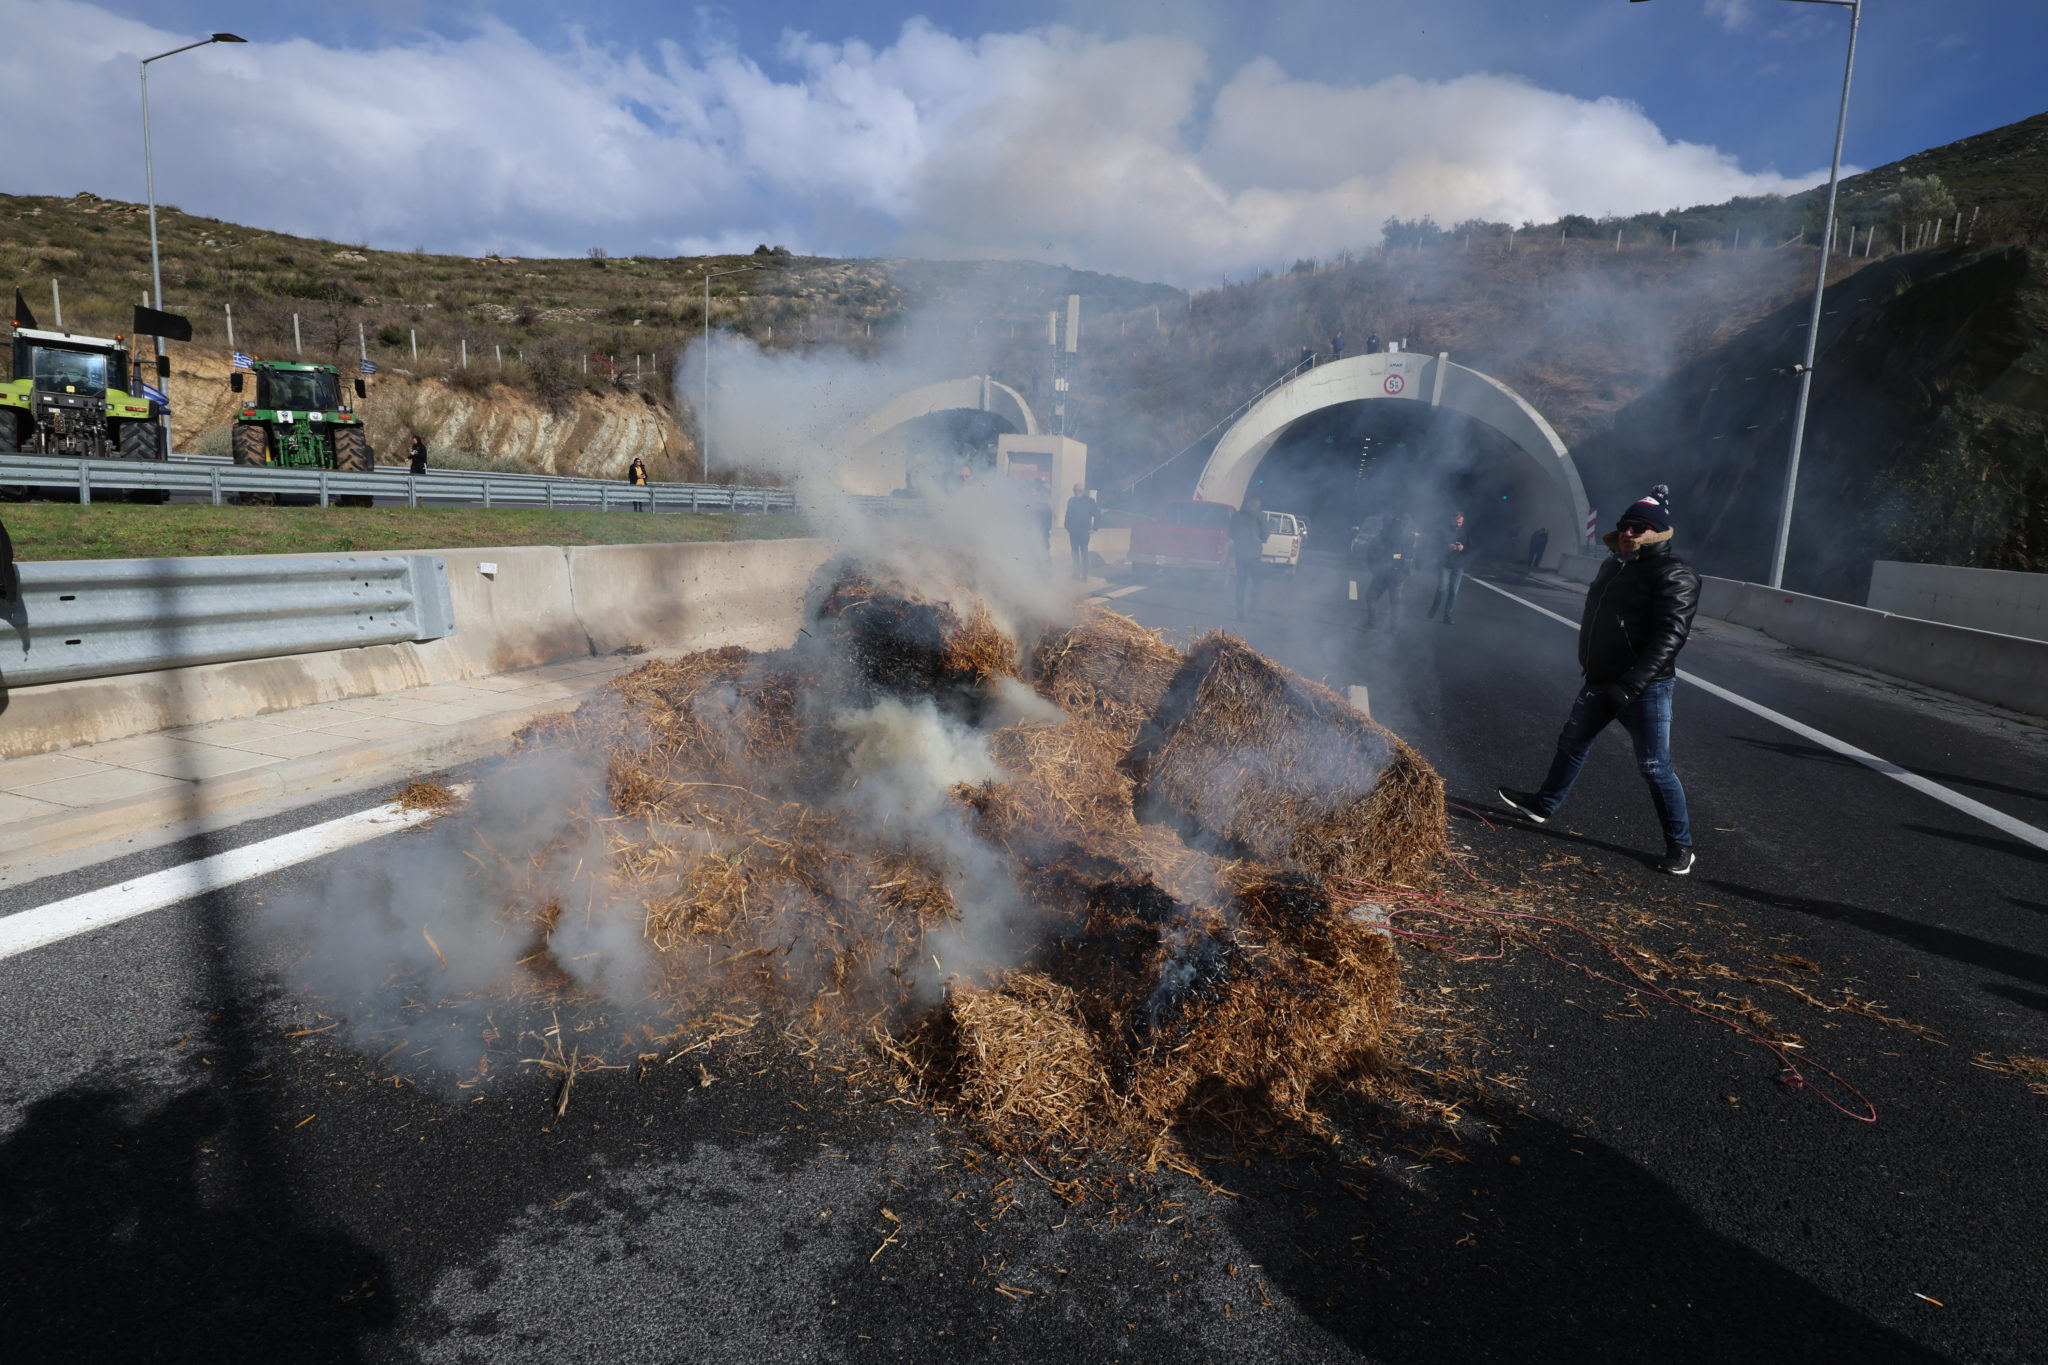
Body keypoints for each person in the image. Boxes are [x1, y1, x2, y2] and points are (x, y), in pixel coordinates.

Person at [1498, 485, 1701, 875]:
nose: (1628, 532)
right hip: (1599, 678)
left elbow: (1670, 637)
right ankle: (1543, 805)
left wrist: (1630, 685)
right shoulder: (1614, 565)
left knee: (1655, 767)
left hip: (1644, 688)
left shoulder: (1675, 574)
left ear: (1658, 532)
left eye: (1639, 527)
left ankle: (1681, 846)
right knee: (1572, 742)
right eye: (1625, 525)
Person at [1363, 513, 1417, 629]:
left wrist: (1373, 569)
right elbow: (1411, 555)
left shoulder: (1382, 536)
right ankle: (1394, 628)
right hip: (1398, 575)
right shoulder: (1408, 538)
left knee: (1371, 597)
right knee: (1395, 603)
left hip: (1382, 574)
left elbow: (1370, 554)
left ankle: (1372, 624)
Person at [1426, 512, 1470, 625]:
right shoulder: (1443, 531)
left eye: (1460, 522)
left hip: (1458, 565)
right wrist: (1446, 546)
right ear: (1451, 520)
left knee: (1453, 592)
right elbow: (1434, 545)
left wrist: (1462, 547)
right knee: (1441, 588)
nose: (1458, 524)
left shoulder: (1464, 532)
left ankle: (1447, 615)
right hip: (1444, 564)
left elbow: (1470, 547)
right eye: (1456, 521)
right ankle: (1434, 609)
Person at [1229, 495, 1266, 621]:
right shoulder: (1260, 515)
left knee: (1241, 585)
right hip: (1254, 555)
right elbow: (1265, 535)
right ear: (1257, 502)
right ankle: (1253, 613)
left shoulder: (1237, 515)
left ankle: (1240, 614)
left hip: (1240, 554)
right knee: (1257, 583)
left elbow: (1231, 534)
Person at [1062, 483, 1101, 576]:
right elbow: (1067, 515)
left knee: (1084, 552)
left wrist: (1095, 528)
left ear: (1083, 491)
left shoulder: (1090, 501)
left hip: (1084, 531)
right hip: (1073, 531)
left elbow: (1098, 515)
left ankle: (1084, 575)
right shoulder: (1071, 500)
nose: (1077, 492)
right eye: (1075, 490)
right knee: (1074, 553)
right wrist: (1067, 526)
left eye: (1079, 490)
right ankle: (1075, 573)